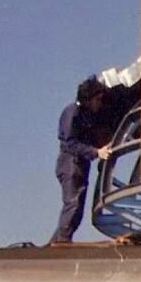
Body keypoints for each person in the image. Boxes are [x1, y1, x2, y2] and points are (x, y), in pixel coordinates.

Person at [49, 76, 112, 244]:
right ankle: (61, 242)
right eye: (97, 99)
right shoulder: (73, 113)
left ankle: (58, 242)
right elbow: (69, 142)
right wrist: (95, 152)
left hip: (79, 164)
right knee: (73, 203)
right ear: (88, 99)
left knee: (76, 206)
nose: (99, 104)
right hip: (70, 163)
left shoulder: (86, 116)